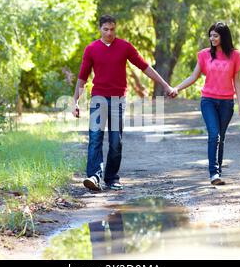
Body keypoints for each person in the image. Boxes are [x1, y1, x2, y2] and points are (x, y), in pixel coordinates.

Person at [72, 14, 175, 191]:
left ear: (115, 29)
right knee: (95, 138)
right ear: (100, 29)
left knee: (115, 141)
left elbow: (145, 67)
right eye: (106, 29)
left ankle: (112, 178)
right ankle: (94, 177)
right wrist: (75, 101)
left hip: (118, 100)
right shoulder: (91, 49)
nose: (109, 33)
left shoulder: (125, 47)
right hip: (98, 98)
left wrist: (165, 85)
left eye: (112, 29)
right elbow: (83, 77)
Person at [171, 22, 240, 185]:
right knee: (214, 135)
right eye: (210, 35)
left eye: (215, 35)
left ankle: (217, 171)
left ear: (223, 37)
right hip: (208, 101)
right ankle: (214, 174)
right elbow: (193, 77)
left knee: (221, 137)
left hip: (227, 102)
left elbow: (237, 81)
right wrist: (177, 88)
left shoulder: (235, 56)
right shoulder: (205, 55)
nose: (211, 38)